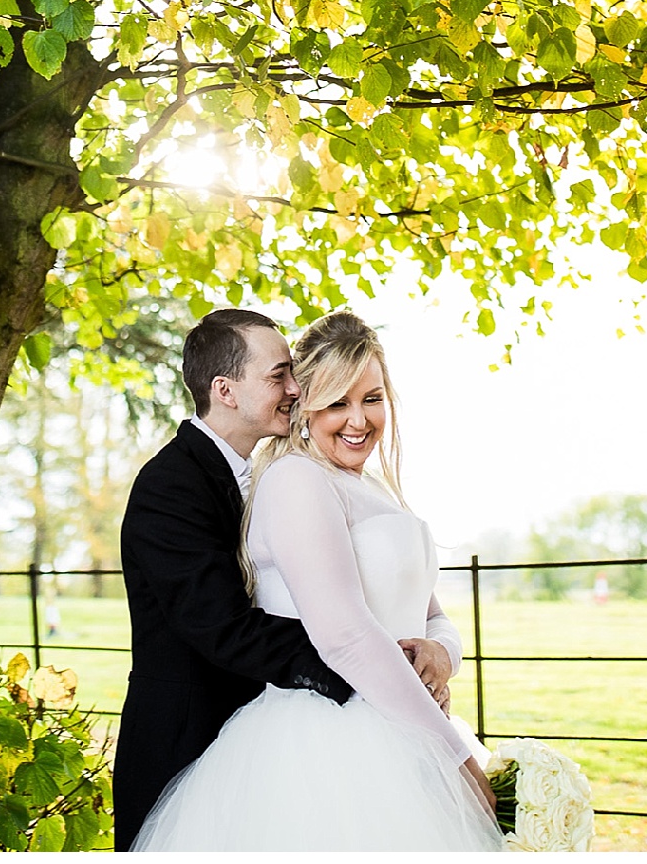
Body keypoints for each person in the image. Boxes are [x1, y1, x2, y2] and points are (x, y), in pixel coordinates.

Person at [132, 311, 504, 851]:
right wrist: (449, 749)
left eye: (372, 398)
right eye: (333, 401)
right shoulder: (278, 480)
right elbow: (285, 629)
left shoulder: (367, 486)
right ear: (228, 391)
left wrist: (440, 654)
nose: (357, 419)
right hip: (318, 733)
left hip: (400, 719)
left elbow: (428, 613)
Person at [112, 309, 357, 850]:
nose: (296, 388)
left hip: (260, 740)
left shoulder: (267, 472)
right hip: (186, 744)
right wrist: (357, 658)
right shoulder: (170, 486)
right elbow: (221, 626)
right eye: (278, 376)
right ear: (225, 389)